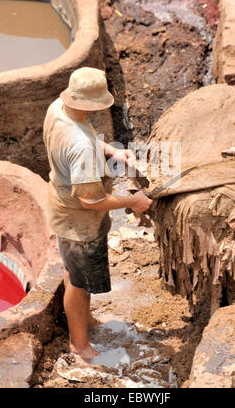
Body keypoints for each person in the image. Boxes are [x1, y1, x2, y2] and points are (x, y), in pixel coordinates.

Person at [43, 67, 152, 361]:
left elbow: (84, 138)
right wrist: (133, 201)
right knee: (78, 283)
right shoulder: (81, 149)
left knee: (75, 275)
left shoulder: (59, 108)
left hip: (62, 206)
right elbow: (91, 200)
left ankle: (85, 320)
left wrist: (111, 151)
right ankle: (79, 344)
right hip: (80, 221)